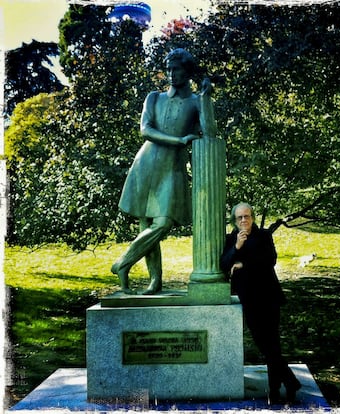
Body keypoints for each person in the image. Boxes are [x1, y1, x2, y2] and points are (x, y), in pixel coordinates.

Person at [111, 49, 210, 294]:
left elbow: (209, 132)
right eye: (168, 69)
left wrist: (206, 99)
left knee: (162, 223)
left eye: (176, 69)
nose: (171, 74)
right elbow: (145, 130)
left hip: (172, 169)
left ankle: (123, 262)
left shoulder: (196, 101)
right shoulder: (153, 98)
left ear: (187, 71)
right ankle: (155, 281)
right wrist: (179, 141)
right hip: (145, 164)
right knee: (146, 224)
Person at [220, 202, 301, 404]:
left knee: (272, 344)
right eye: (239, 218)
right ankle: (290, 382)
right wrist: (236, 248)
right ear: (234, 220)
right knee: (263, 344)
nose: (243, 220)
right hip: (248, 299)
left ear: (253, 217)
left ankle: (275, 390)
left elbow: (269, 260)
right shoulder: (231, 239)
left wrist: (243, 263)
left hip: (268, 296)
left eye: (247, 216)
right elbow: (223, 264)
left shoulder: (264, 235)